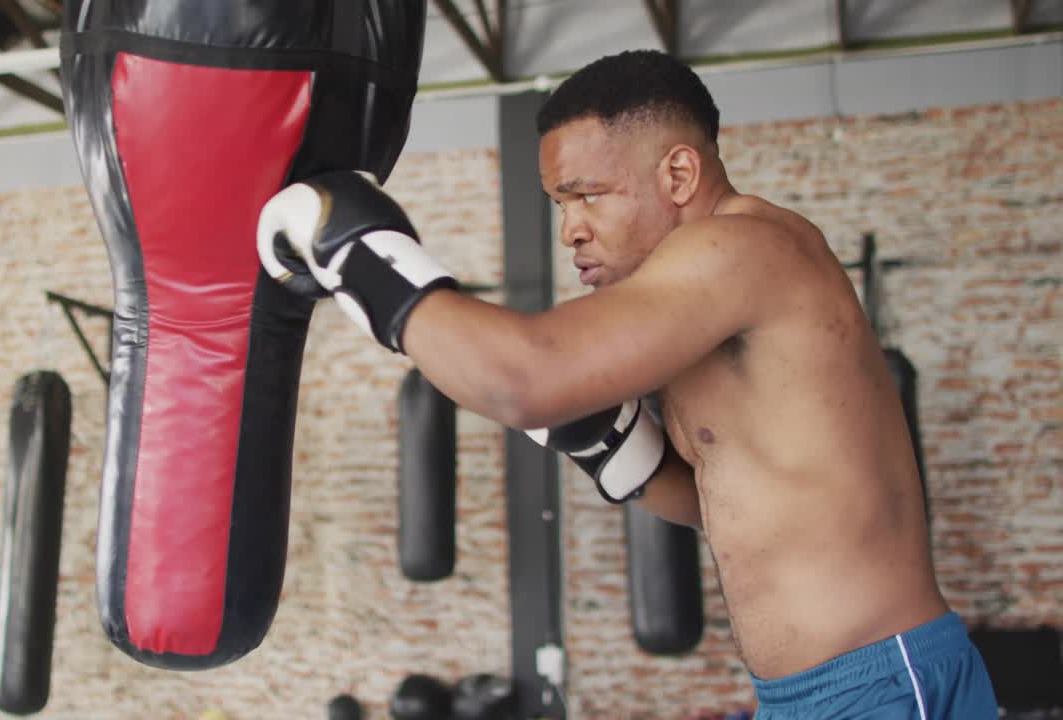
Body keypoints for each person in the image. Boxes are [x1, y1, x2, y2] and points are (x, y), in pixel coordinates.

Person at [257, 50, 999, 718]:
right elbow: (725, 504)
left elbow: (524, 380)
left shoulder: (741, 248)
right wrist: (616, 453)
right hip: (805, 694)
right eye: (560, 204)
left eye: (589, 195)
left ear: (678, 175)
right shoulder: (703, 307)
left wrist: (352, 251)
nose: (570, 230)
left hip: (882, 685)